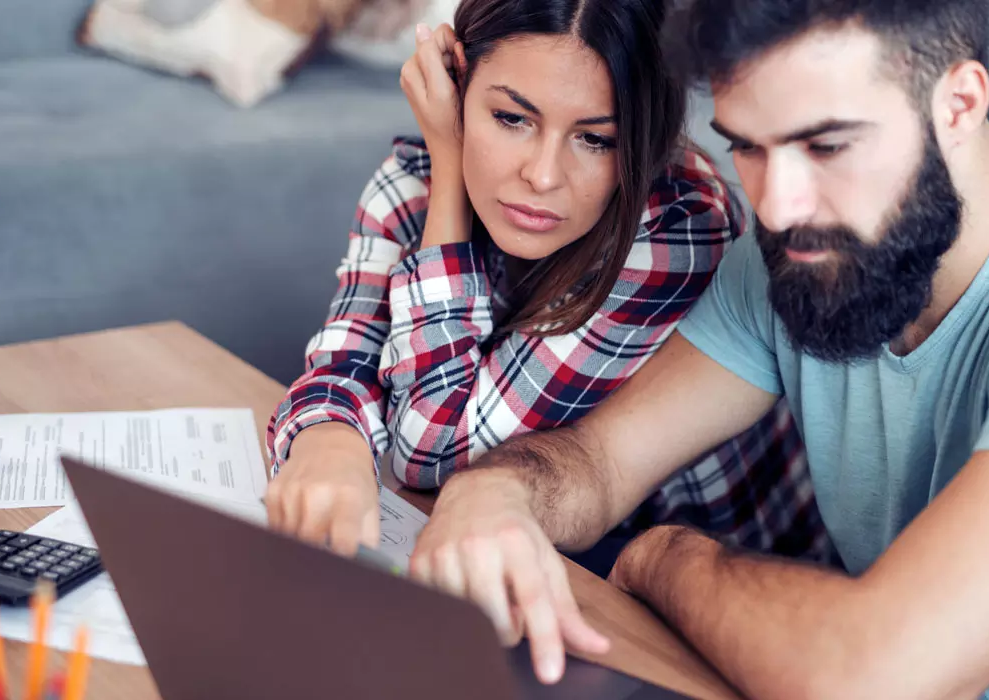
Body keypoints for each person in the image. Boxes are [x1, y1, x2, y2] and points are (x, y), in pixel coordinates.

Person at [407, 0, 989, 695]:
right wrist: (492, 494)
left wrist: (669, 558)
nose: (780, 205)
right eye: (749, 148)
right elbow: (599, 463)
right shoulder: (798, 255)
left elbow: (873, 677)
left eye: (825, 144)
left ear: (957, 103)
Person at [263, 0, 833, 572]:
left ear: (642, 139)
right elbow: (343, 359)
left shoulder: (680, 231)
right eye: (512, 119)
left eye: (595, 140)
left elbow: (434, 454)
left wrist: (448, 200)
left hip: (709, 576)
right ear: (456, 88)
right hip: (551, 549)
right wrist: (329, 443)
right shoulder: (413, 183)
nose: (541, 175)